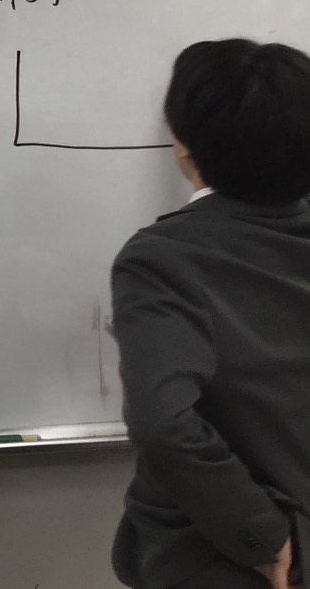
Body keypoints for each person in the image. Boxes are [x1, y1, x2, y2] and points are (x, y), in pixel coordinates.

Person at [112, 39, 310, 589]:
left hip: (230, 558)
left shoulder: (164, 258)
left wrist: (259, 534)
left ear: (184, 145)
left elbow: (163, 423)